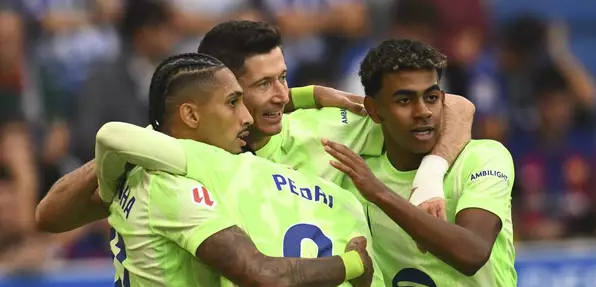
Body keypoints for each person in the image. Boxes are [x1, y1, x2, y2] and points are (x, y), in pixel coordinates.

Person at [95, 52, 388, 287]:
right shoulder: (177, 186)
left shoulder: (133, 174)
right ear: (190, 114)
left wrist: (108, 191)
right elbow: (262, 277)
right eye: (233, 102)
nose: (246, 116)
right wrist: (352, 265)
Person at [35, 21, 475, 232]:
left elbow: (454, 105)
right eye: (263, 83)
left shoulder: (325, 128)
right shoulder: (170, 158)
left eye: (283, 77)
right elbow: (52, 216)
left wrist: (431, 175)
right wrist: (150, 137)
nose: (282, 95)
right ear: (221, 87)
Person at [323, 39, 546, 287]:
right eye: (404, 100)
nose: (423, 111)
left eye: (431, 96)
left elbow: (472, 252)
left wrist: (384, 192)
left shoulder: (483, 158)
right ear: (375, 110)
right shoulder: (357, 175)